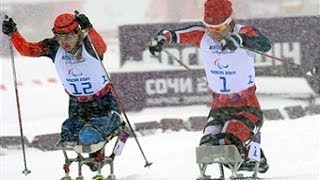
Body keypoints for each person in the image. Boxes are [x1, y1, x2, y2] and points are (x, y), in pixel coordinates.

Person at [149, 0, 270, 173]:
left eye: (219, 28)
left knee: (226, 144)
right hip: (219, 106)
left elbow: (265, 45)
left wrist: (240, 40)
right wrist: (160, 39)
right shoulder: (202, 35)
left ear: (229, 21)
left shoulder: (242, 31)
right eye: (210, 28)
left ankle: (253, 154)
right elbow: (171, 34)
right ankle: (248, 155)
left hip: (246, 105)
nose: (214, 34)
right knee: (208, 148)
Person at [2, 12, 123, 171]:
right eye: (59, 37)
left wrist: (89, 28)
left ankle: (97, 155)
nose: (64, 42)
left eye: (68, 37)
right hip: (77, 104)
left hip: (103, 102)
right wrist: (13, 34)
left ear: (77, 33)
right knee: (68, 134)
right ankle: (91, 156)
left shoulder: (89, 45)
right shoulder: (53, 47)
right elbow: (27, 50)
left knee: (89, 135)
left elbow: (102, 48)